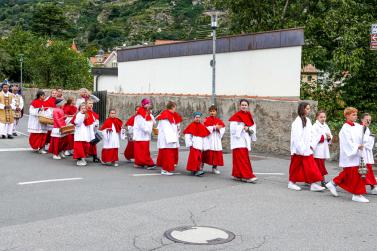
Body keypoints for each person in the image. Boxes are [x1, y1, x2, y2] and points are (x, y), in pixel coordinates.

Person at [326, 107, 369, 202]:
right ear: (347, 116)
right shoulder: (345, 128)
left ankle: (333, 183)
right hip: (350, 155)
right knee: (354, 174)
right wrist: (357, 146)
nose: (356, 116)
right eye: (353, 115)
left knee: (349, 173)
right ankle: (357, 194)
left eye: (356, 114)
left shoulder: (357, 125)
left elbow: (363, 134)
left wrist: (365, 126)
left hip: (357, 154)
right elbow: (347, 143)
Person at [288, 102, 325, 191]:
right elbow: (297, 137)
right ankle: (291, 182)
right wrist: (301, 149)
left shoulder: (307, 120)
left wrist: (312, 144)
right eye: (307, 108)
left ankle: (313, 183)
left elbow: (311, 133)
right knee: (295, 166)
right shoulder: (297, 122)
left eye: (309, 108)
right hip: (299, 149)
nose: (309, 110)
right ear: (302, 109)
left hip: (306, 148)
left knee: (310, 166)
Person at [229, 99, 258, 183]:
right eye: (242, 105)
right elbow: (233, 130)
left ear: (248, 106)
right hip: (238, 141)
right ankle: (248, 176)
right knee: (242, 159)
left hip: (245, 140)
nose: (244, 106)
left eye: (245, 105)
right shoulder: (236, 116)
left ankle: (237, 175)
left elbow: (252, 127)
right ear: (240, 106)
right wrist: (242, 127)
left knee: (242, 158)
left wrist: (248, 128)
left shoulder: (249, 115)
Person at [156, 101, 181, 175]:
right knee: (167, 155)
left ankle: (166, 169)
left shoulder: (168, 115)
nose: (175, 109)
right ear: (172, 107)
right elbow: (167, 129)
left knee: (168, 155)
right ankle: (165, 170)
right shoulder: (166, 116)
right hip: (167, 139)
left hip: (168, 139)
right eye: (174, 108)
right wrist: (173, 139)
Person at [184, 112, 210, 176]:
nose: (198, 119)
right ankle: (195, 170)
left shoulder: (202, 126)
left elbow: (204, 137)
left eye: (199, 117)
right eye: (196, 117)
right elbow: (187, 135)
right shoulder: (191, 126)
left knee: (199, 158)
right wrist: (190, 143)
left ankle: (196, 169)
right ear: (194, 118)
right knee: (194, 158)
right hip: (194, 145)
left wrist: (204, 146)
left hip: (199, 145)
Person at [312, 110, 333, 187]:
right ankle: (322, 181)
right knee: (319, 166)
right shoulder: (315, 126)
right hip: (318, 150)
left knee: (320, 165)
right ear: (317, 117)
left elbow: (330, 134)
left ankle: (316, 181)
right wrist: (325, 136)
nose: (323, 118)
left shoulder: (325, 125)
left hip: (323, 149)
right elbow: (314, 137)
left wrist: (329, 137)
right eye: (321, 117)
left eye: (324, 117)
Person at [133, 99, 156, 168]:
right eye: (147, 104)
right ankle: (149, 163)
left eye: (149, 104)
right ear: (143, 104)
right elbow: (142, 125)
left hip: (145, 135)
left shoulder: (147, 112)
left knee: (143, 151)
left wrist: (151, 117)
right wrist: (148, 128)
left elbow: (153, 122)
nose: (149, 105)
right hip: (140, 134)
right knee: (142, 151)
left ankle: (139, 163)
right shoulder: (140, 114)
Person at [202, 105, 225, 174]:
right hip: (210, 139)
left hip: (216, 139)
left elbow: (223, 128)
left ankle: (214, 167)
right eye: (211, 111)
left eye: (214, 111)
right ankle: (201, 166)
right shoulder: (207, 119)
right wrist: (214, 127)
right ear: (209, 112)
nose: (212, 112)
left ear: (216, 112)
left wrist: (219, 129)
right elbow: (205, 128)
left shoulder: (219, 120)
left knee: (216, 154)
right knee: (206, 153)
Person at [360, 113, 377, 195]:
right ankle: (373, 186)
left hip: (366, 152)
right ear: (362, 120)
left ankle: (371, 186)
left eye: (369, 120)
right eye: (366, 119)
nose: (368, 121)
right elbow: (360, 140)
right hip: (362, 152)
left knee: (366, 169)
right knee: (366, 169)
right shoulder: (360, 128)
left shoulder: (366, 129)